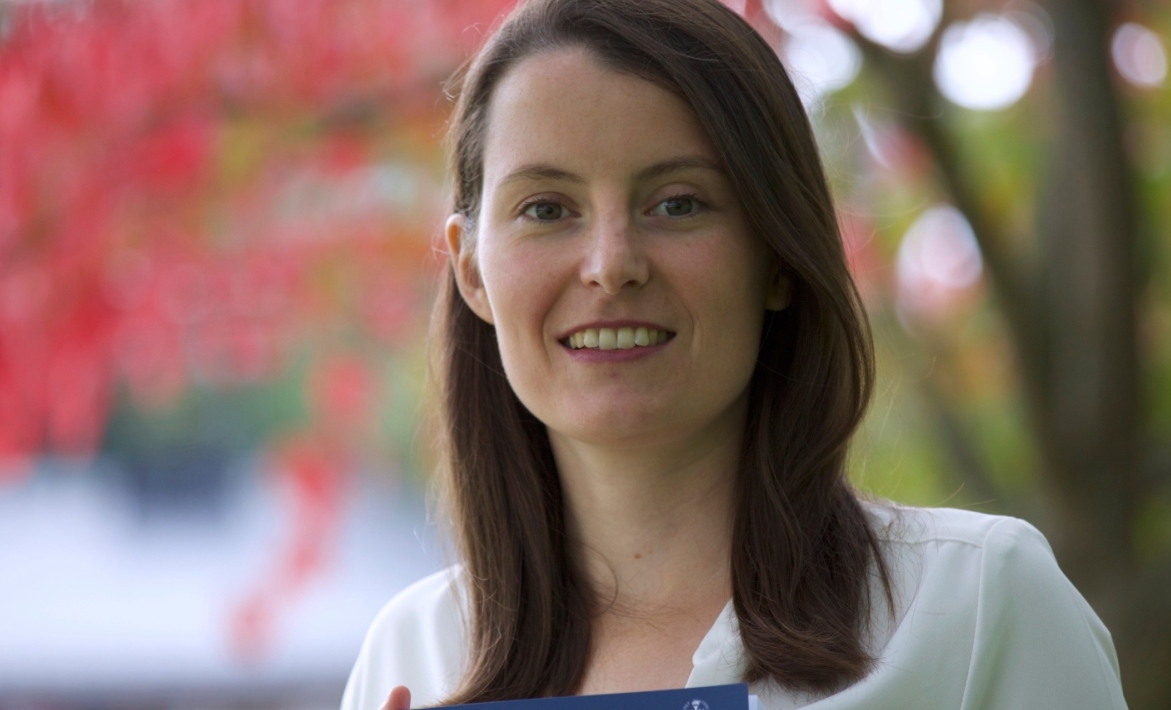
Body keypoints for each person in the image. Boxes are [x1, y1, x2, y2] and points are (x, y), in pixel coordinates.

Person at [342, 0, 1127, 708]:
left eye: (677, 204)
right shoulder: (413, 654)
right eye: (546, 209)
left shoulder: (982, 606)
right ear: (471, 267)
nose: (612, 264)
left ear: (777, 256)